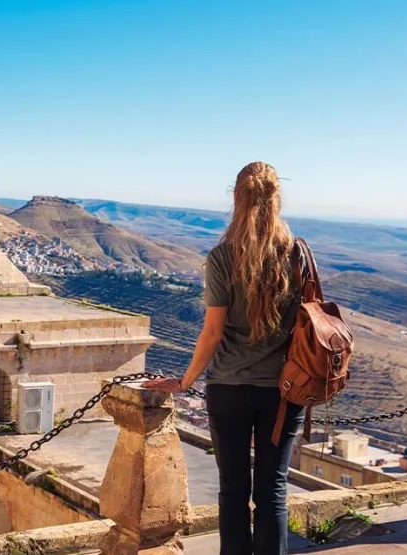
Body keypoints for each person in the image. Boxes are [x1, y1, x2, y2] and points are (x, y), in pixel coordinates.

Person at [143, 162, 305, 555]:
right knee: (273, 491)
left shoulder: (222, 257)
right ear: (277, 199)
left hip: (229, 389)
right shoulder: (296, 253)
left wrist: (184, 382)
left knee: (233, 490)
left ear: (236, 198)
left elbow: (212, 333)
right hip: (284, 391)